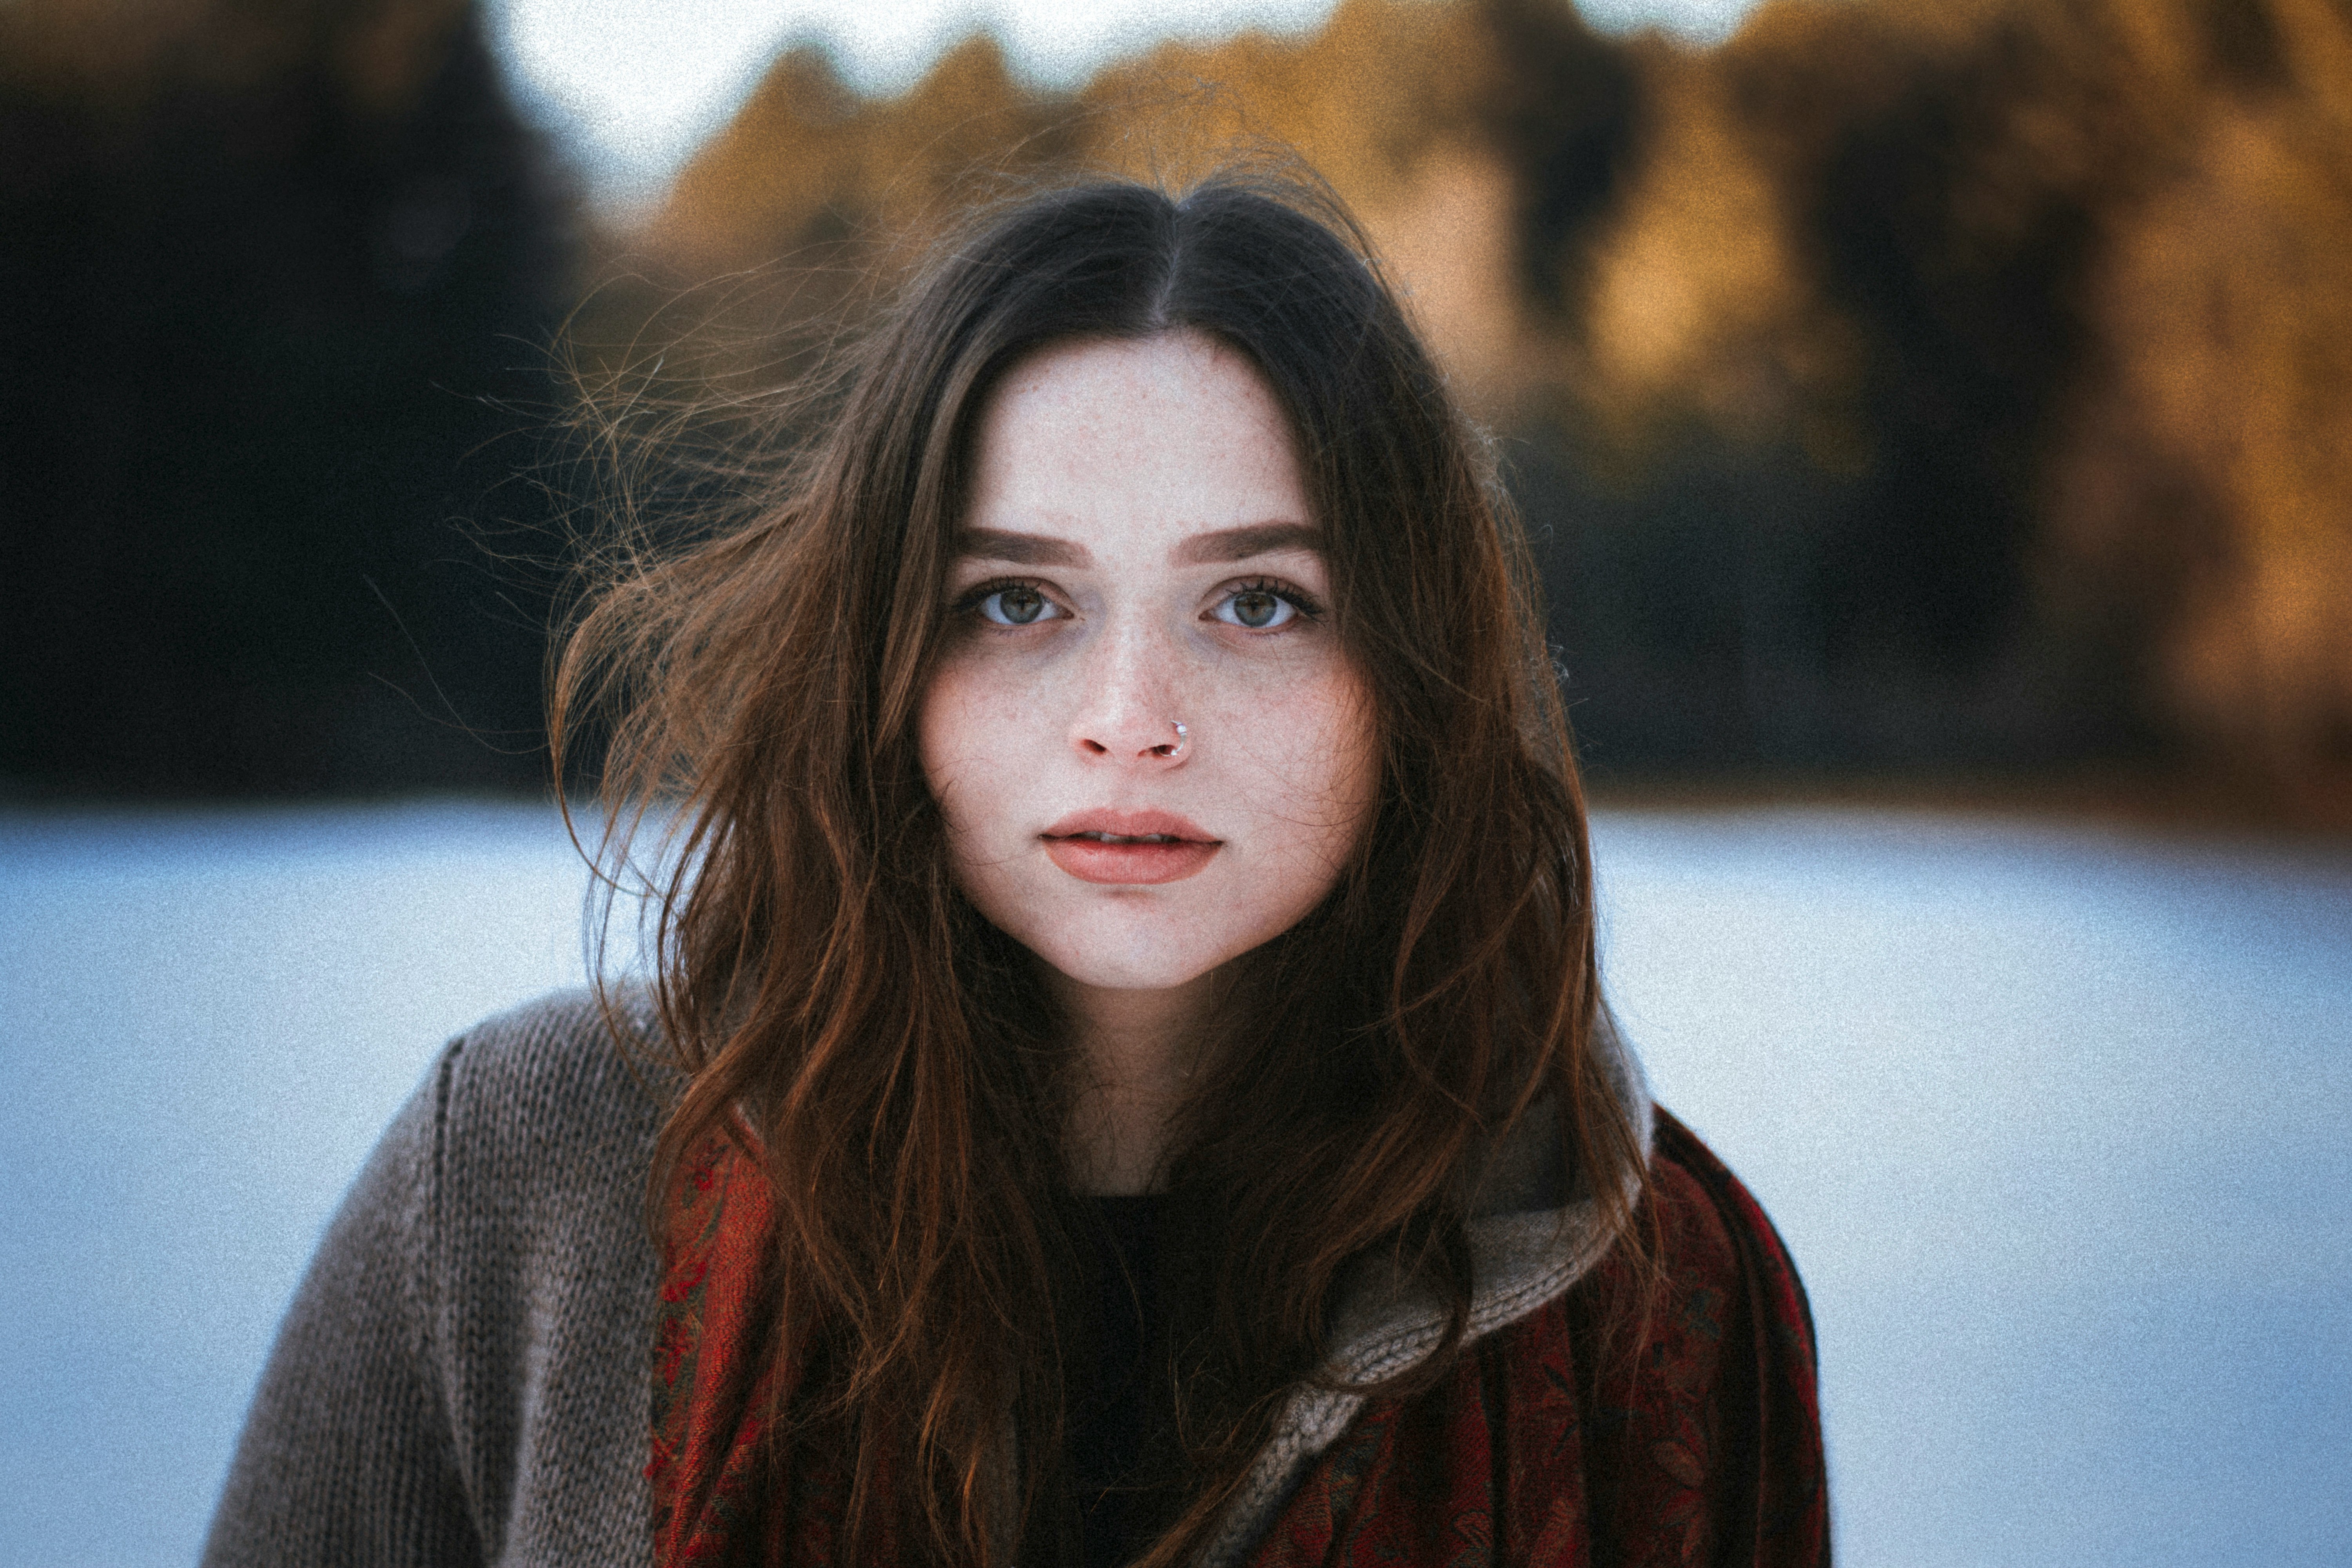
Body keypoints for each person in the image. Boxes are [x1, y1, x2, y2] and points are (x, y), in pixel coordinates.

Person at [203, 174, 1827, 1568]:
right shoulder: (529, 1174)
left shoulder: (1654, 1288)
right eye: (1018, 602)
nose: (1132, 723)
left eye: (1258, 601)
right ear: (885, 656)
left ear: (1413, 674)